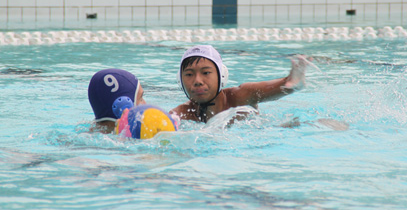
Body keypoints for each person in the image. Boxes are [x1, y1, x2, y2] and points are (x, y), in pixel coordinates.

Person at [170, 45, 310, 124]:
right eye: (189, 74)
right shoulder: (180, 114)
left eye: (206, 73)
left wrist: (293, 82)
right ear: (180, 80)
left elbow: (286, 85)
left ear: (221, 75)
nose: (197, 81)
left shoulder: (240, 96)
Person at [88, 68, 179, 138]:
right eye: (141, 98)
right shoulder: (132, 142)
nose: (145, 104)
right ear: (124, 106)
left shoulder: (89, 136)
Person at [88, 68, 146, 133]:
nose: (145, 104)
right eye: (141, 98)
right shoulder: (130, 140)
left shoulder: (87, 136)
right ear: (123, 105)